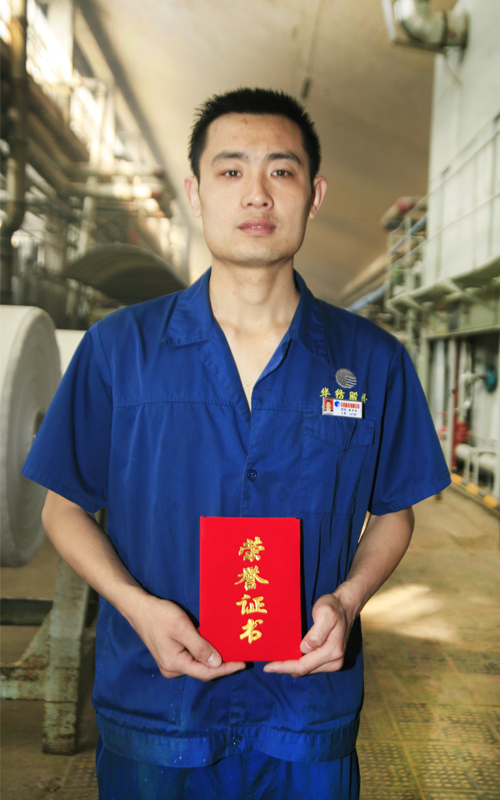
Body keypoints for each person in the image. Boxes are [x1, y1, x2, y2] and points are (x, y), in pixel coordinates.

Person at [22, 88, 450, 799]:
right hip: (159, 706)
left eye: (280, 171)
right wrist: (136, 608)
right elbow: (61, 508)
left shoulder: (371, 361)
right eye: (230, 170)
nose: (257, 193)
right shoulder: (118, 350)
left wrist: (348, 602)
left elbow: (394, 510)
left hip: (304, 713)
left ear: (314, 195)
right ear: (195, 192)